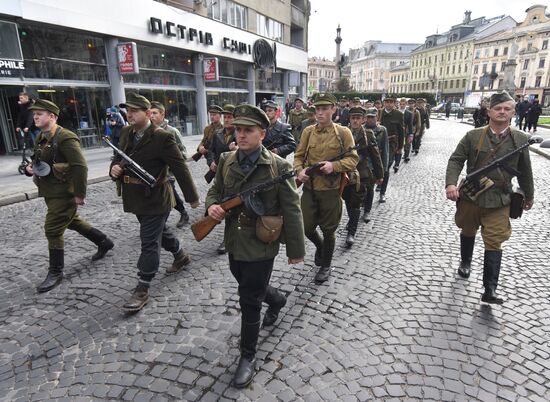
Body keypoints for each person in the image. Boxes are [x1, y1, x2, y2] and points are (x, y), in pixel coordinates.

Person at [205, 104, 305, 388]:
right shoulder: (226, 160)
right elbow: (216, 190)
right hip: (235, 240)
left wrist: (295, 250)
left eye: (248, 130)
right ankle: (276, 299)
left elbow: (292, 209)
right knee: (246, 282)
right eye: (238, 129)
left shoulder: (278, 166)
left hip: (262, 241)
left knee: (248, 299)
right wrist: (212, 205)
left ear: (263, 133)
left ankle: (247, 356)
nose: (242, 135)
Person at [109, 93, 199, 312]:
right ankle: (181, 255)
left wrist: (192, 198)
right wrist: (114, 170)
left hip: (157, 197)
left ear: (147, 113)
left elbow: (180, 167)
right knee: (160, 232)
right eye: (127, 110)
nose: (129, 114)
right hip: (135, 196)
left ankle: (142, 287)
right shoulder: (126, 132)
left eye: (134, 110)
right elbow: (117, 157)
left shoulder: (163, 137)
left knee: (149, 240)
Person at [445, 90, 534, 304]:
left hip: (499, 200)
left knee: (495, 240)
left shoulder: (520, 139)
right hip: (471, 197)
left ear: (513, 112)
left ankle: (490, 289)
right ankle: (465, 262)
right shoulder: (473, 136)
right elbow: (456, 159)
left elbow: (525, 170)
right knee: (467, 229)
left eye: (507, 109)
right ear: (489, 111)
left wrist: (528, 195)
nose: (502, 112)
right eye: (498, 108)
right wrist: (451, 184)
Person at [24, 99, 114, 293]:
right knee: (72, 221)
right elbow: (39, 159)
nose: (35, 116)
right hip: (50, 191)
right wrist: (30, 167)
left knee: (53, 229)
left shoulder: (66, 137)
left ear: (52, 116)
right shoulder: (41, 137)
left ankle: (56, 272)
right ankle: (103, 241)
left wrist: (80, 194)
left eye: (40, 113)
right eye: (34, 114)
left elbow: (80, 167)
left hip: (65, 193)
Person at [294, 92, 358, 283]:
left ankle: (326, 265)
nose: (320, 113)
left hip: (331, 189)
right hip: (310, 188)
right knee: (305, 227)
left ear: (333, 110)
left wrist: (334, 166)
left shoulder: (343, 133)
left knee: (329, 229)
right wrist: (299, 170)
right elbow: (298, 156)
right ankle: (320, 246)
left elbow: (353, 159)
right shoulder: (308, 132)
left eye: (324, 109)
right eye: (317, 109)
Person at [342, 107, 384, 247]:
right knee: (347, 199)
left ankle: (351, 233)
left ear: (362, 120)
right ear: (349, 119)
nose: (355, 121)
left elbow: (375, 155)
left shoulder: (368, 134)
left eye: (358, 118)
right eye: (353, 118)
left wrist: (380, 175)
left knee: (356, 201)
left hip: (362, 174)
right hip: (346, 174)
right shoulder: (342, 133)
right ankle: (351, 221)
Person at [149, 101, 190, 228]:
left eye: (155, 113)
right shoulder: (147, 131)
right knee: (166, 196)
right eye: (150, 113)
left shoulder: (172, 132)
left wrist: (170, 162)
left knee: (169, 194)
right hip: (153, 173)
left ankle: (166, 221)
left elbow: (183, 154)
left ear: (162, 114)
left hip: (168, 173)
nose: (151, 116)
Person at [207, 104, 238, 254]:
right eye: (225, 117)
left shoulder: (241, 134)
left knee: (230, 207)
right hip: (220, 174)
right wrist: (211, 161)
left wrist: (234, 150)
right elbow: (211, 150)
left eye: (230, 117)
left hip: (234, 175)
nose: (227, 120)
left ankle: (226, 240)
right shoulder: (217, 132)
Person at [362, 107, 389, 222]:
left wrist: (383, 171)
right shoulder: (361, 129)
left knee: (370, 189)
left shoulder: (382, 130)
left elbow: (385, 150)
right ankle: (362, 206)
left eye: (372, 117)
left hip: (374, 165)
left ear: (377, 117)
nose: (370, 119)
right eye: (368, 117)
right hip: (362, 165)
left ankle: (367, 211)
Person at [377, 96, 404, 203]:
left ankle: (382, 192)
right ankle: (379, 181)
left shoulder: (398, 114)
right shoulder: (378, 113)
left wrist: (400, 147)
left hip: (391, 144)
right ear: (384, 103)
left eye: (391, 102)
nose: (388, 104)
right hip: (378, 144)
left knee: (386, 168)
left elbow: (401, 132)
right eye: (387, 102)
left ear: (394, 103)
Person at [395, 98, 412, 173]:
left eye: (403, 104)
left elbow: (410, 125)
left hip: (404, 133)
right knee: (395, 147)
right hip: (395, 132)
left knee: (401, 146)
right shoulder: (395, 112)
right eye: (400, 104)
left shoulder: (409, 113)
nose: (402, 105)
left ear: (406, 104)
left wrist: (411, 134)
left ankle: (397, 164)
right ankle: (395, 161)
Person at [403, 99, 421, 163]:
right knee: (403, 143)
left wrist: (418, 131)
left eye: (412, 103)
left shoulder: (417, 112)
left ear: (414, 104)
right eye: (409, 103)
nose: (411, 105)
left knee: (408, 142)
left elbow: (418, 122)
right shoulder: (405, 110)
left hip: (412, 129)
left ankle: (406, 155)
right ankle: (405, 153)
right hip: (404, 128)